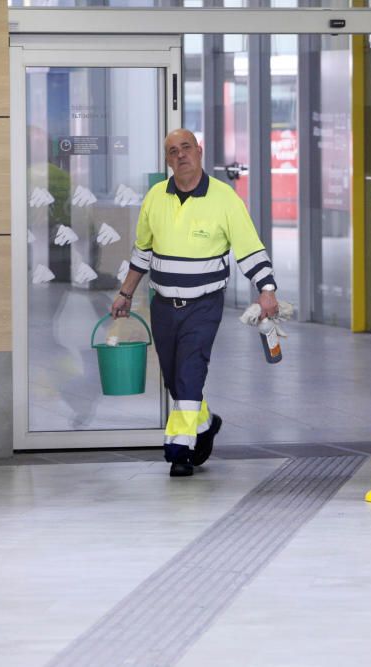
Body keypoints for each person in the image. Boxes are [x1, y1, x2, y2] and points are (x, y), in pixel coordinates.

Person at [111, 128, 278, 477]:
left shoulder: (224, 198)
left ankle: (179, 451)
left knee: (189, 372)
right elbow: (142, 251)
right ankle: (204, 425)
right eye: (173, 151)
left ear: (199, 151)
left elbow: (248, 248)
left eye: (186, 147)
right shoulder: (156, 196)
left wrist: (267, 289)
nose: (180, 155)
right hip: (163, 305)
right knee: (174, 378)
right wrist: (125, 293)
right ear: (168, 160)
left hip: (203, 305)